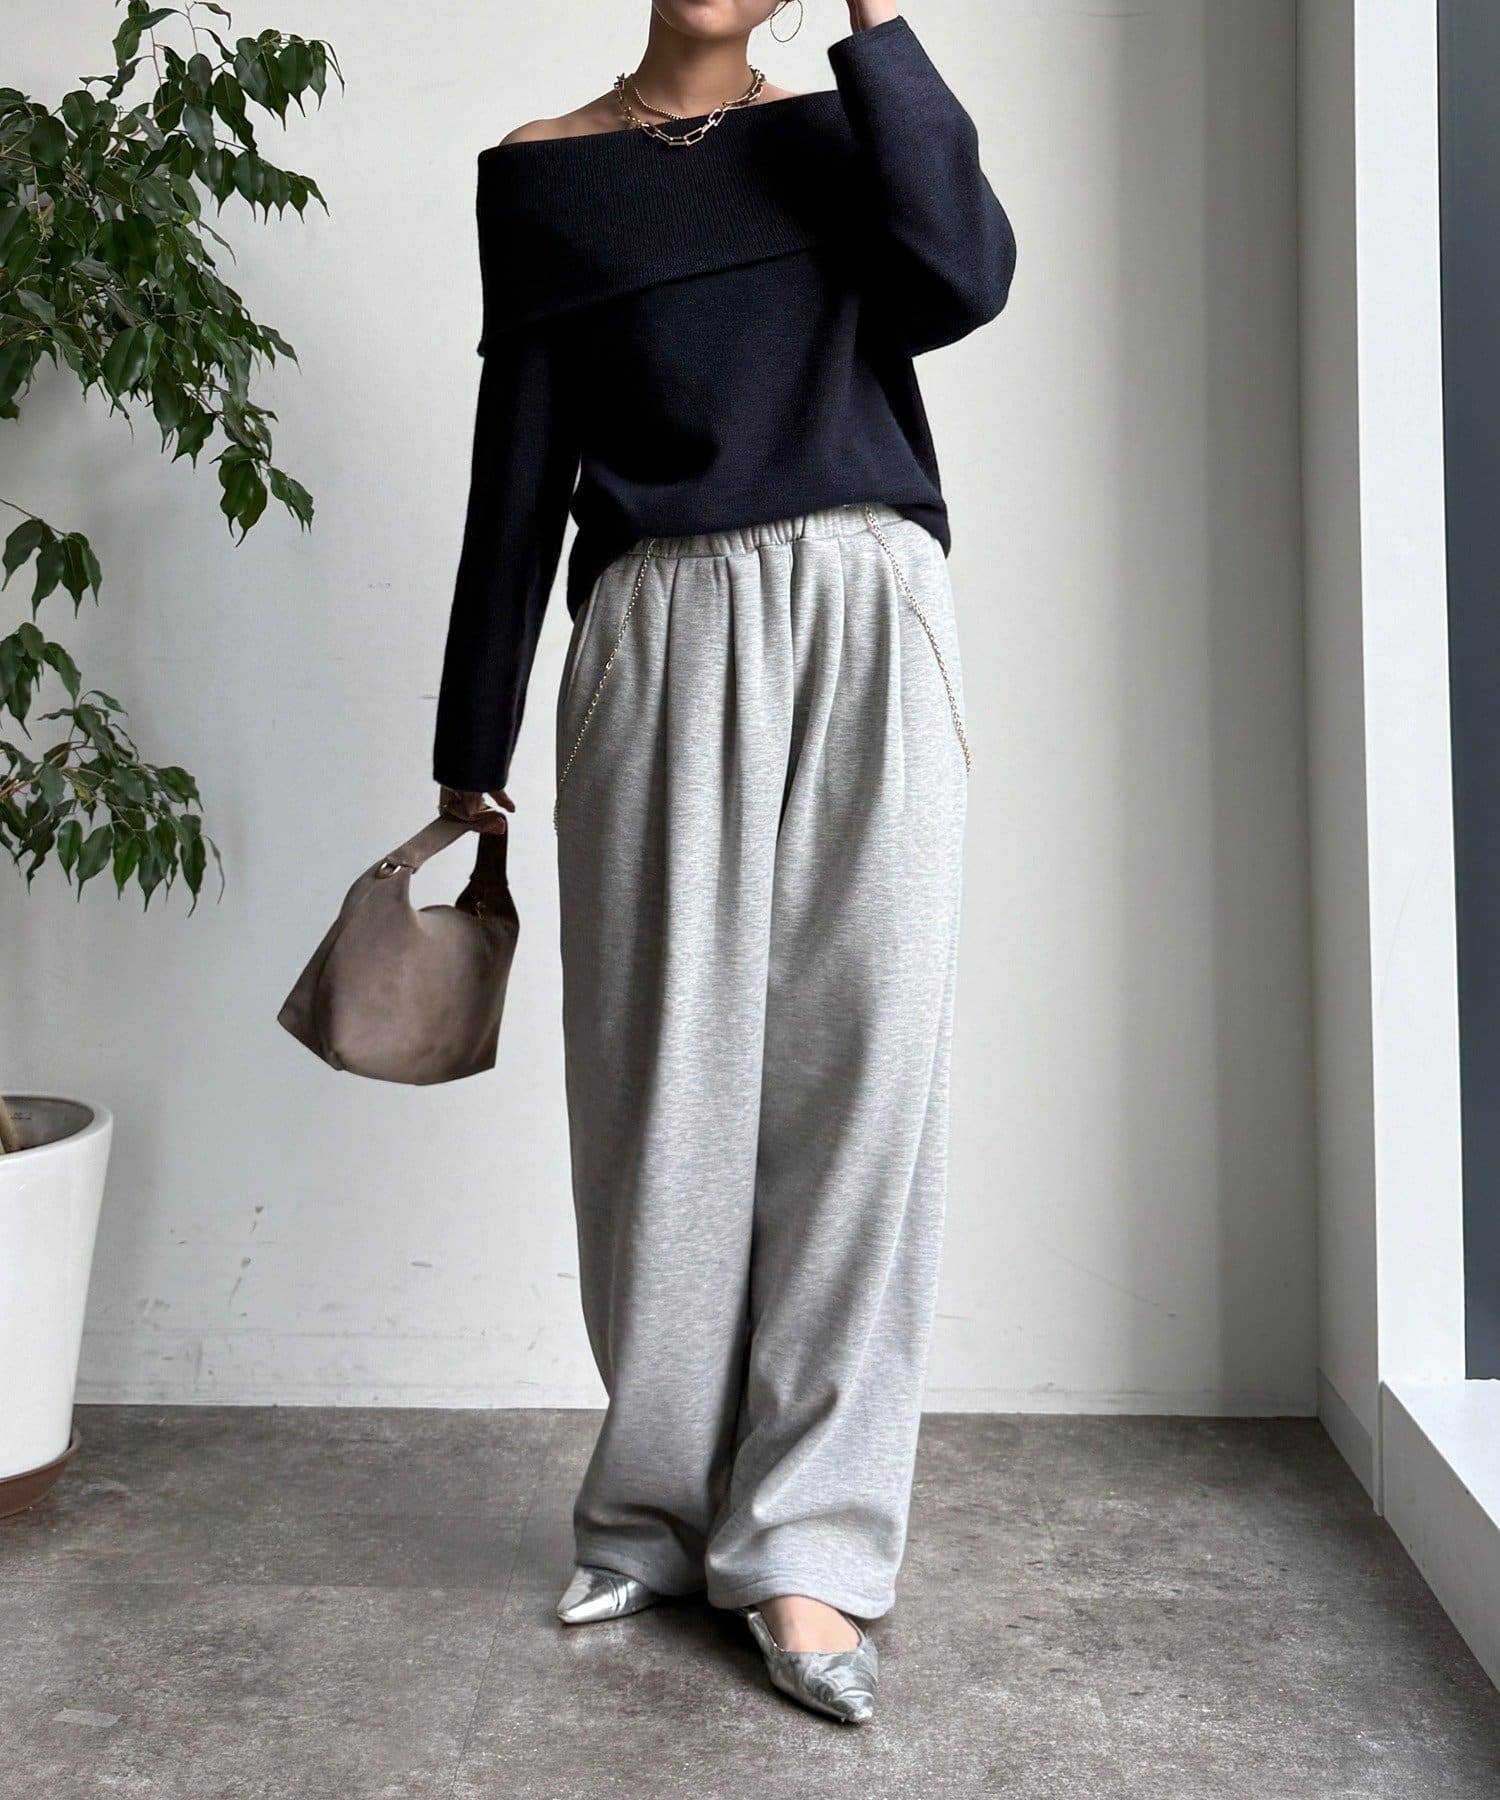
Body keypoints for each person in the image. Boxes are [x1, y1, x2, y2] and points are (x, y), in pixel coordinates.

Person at [433, 0, 1014, 1725]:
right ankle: (655, 1509)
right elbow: (521, 457)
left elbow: (968, 275)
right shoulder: (543, 175)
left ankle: (812, 1544)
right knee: (659, 1088)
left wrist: (880, 25)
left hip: (867, 605)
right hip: (658, 625)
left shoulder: (850, 132)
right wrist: (471, 739)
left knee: (863, 1084)